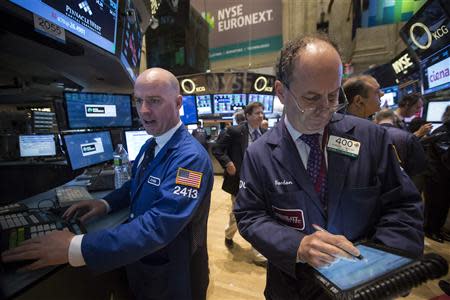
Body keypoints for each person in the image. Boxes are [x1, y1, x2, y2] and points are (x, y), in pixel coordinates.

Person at [234, 34, 424, 299]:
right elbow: (250, 216)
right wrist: (297, 245)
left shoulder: (372, 138)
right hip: (292, 288)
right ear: (281, 92)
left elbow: (403, 206)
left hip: (364, 286)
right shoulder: (259, 153)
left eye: (333, 96)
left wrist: (382, 263)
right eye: (311, 98)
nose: (325, 109)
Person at [2, 68, 214, 300]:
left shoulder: (190, 158)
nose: (144, 110)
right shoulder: (150, 145)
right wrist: (105, 203)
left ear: (178, 102)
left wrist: (78, 247)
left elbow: (159, 226)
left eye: (154, 101)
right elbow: (136, 184)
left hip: (173, 275)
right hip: (143, 267)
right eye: (139, 101)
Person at [212, 102, 267, 264]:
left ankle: (258, 253)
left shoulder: (264, 133)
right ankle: (229, 234)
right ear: (248, 115)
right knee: (237, 215)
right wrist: (228, 163)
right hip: (239, 181)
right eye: (257, 113)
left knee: (258, 215)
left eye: (261, 113)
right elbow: (217, 148)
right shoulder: (235, 131)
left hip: (258, 183)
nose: (260, 116)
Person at [423, 105, 450, 243]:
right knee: (435, 206)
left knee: (443, 206)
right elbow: (446, 156)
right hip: (437, 177)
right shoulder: (442, 133)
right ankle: (430, 231)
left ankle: (438, 229)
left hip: (443, 177)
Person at [374, 109, 426, 177]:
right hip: (401, 181)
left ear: (376, 120)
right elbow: (419, 164)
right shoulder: (408, 136)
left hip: (375, 181)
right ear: (394, 119)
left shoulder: (368, 135)